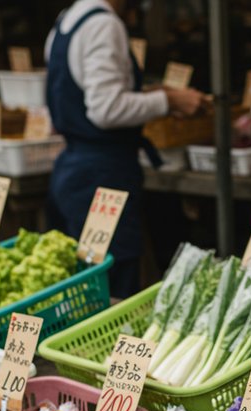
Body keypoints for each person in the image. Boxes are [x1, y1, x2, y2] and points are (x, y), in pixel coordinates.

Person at [44, 0, 205, 298]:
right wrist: (168, 102)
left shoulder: (68, 19)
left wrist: (158, 95)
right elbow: (105, 109)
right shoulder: (104, 25)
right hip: (101, 177)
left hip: (72, 171)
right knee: (107, 287)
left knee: (80, 284)